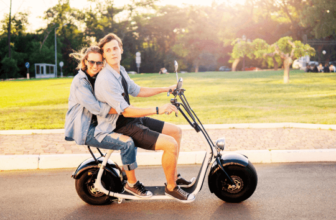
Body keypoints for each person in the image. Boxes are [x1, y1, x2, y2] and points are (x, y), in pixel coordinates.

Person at [94, 33, 196, 203]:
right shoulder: (106, 78)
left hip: (131, 120)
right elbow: (126, 111)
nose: (113, 52)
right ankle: (171, 188)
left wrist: (166, 89)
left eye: (115, 48)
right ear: (103, 54)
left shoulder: (120, 71)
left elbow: (138, 91)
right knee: (170, 145)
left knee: (176, 132)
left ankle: (174, 177)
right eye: (108, 50)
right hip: (119, 125)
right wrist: (158, 109)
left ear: (121, 49)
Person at [64, 46, 152, 198]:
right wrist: (123, 109)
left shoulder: (97, 77)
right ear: (85, 61)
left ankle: (125, 178)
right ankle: (132, 185)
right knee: (127, 142)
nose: (95, 66)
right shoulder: (80, 81)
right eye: (92, 62)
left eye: (99, 63)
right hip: (85, 130)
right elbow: (97, 108)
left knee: (133, 131)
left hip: (99, 126)